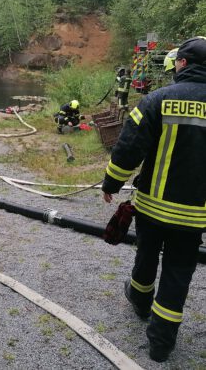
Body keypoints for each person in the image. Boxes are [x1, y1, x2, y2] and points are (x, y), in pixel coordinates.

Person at [102, 36, 206, 362]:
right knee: (178, 273)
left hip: (152, 208)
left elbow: (128, 148)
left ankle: (141, 303)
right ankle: (161, 345)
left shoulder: (157, 100)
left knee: (146, 256)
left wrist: (111, 183)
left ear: (183, 63)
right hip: (194, 216)